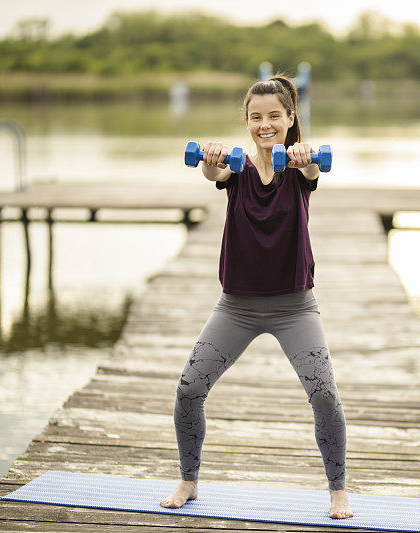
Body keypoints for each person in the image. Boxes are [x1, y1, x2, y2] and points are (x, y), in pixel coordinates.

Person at [160, 74, 353, 519]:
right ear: (246, 122)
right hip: (237, 307)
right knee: (189, 389)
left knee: (324, 394)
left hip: (294, 307)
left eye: (273, 116)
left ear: (289, 120)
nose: (264, 124)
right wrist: (209, 159)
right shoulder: (239, 166)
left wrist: (305, 158)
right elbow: (214, 172)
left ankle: (338, 490)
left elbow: (312, 170)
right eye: (255, 117)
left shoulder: (299, 169)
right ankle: (189, 481)